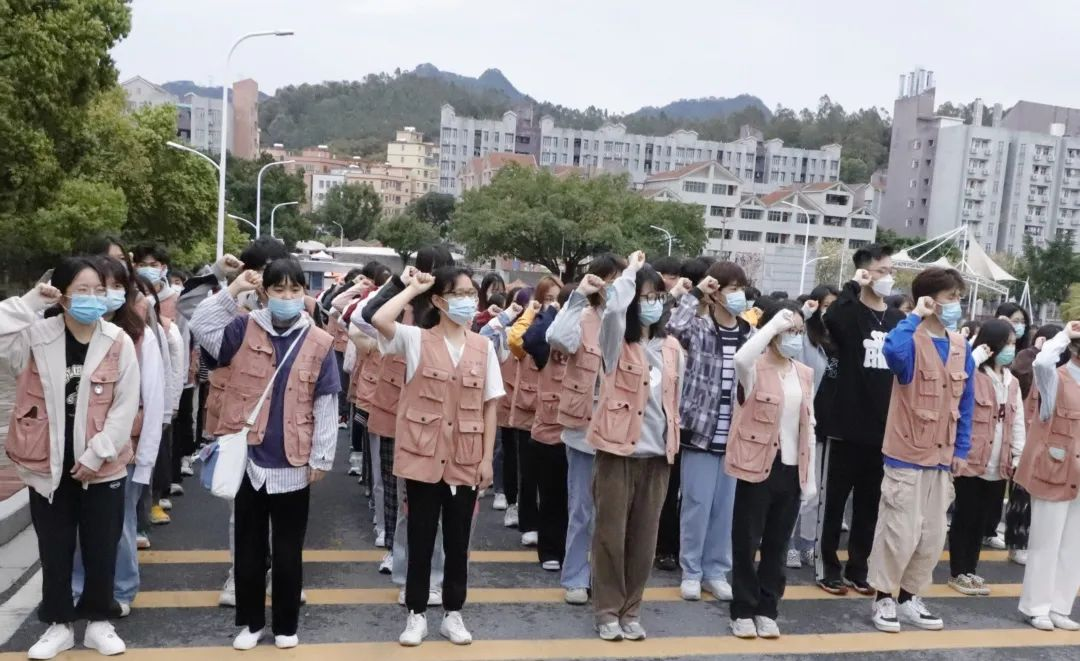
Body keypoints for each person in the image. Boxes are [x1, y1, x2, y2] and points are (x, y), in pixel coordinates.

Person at [191, 257, 340, 651]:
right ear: (265, 292)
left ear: (304, 292)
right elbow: (201, 325)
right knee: (249, 548)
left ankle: (286, 625)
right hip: (248, 460)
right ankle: (252, 622)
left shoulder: (319, 341)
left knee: (289, 550)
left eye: (295, 289)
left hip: (293, 459)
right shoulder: (243, 328)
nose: (287, 296)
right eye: (278, 289)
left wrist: (322, 457)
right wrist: (233, 288)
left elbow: (326, 401)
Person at [1, 257, 139, 659]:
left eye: (99, 290)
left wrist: (98, 453)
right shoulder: (35, 336)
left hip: (102, 467)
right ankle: (58, 624)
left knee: (101, 548)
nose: (93, 298)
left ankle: (98, 622)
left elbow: (125, 405)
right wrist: (30, 301)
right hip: (47, 464)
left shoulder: (118, 340)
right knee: (55, 549)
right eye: (82, 290)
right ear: (61, 296)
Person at [371, 265, 503, 647]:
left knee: (458, 543)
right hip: (423, 457)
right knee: (421, 538)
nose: (468, 301)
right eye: (459, 294)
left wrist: (486, 459)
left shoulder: (483, 347)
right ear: (440, 301)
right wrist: (411, 288)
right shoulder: (416, 339)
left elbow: (490, 406)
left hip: (465, 458)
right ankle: (416, 614)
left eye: (471, 294)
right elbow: (379, 319)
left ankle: (453, 613)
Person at [583, 252, 684, 642]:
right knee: (610, 536)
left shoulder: (671, 348)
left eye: (658, 296)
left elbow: (673, 403)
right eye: (645, 296)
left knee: (644, 541)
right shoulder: (615, 342)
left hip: (657, 457)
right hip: (617, 453)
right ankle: (607, 610)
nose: (652, 304)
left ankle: (632, 610)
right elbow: (611, 313)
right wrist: (629, 273)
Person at [867, 267, 974, 633]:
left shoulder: (960, 345)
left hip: (943, 456)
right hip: (907, 454)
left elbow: (967, 402)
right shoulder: (910, 339)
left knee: (931, 536)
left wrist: (962, 448)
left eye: (959, 297)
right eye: (950, 297)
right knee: (899, 532)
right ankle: (883, 597)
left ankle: (909, 597)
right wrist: (914, 315)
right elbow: (892, 353)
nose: (957, 304)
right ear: (929, 300)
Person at [70, 257, 165, 619]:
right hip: (77, 447)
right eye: (95, 288)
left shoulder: (138, 337)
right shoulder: (66, 333)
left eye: (113, 287)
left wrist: (147, 458)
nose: (104, 295)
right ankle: (79, 588)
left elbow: (152, 399)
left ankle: (122, 588)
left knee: (120, 525)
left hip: (126, 449)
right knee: (79, 524)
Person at [817, 245, 905, 596]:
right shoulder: (850, 311)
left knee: (869, 506)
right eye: (882, 271)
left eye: (890, 271)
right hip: (845, 427)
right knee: (834, 502)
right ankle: (827, 567)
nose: (888, 278)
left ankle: (859, 567)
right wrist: (853, 286)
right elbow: (832, 321)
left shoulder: (896, 318)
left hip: (882, 430)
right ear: (866, 273)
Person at [727, 299, 817, 639]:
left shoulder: (804, 373)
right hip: (758, 466)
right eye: (788, 330)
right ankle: (742, 609)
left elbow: (807, 427)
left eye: (798, 330)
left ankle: (767, 608)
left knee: (777, 546)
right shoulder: (755, 366)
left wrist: (808, 479)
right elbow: (740, 358)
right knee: (746, 541)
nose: (794, 337)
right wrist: (770, 328)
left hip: (792, 469)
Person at [666, 261, 752, 603]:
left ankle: (716, 570)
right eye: (732, 289)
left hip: (735, 437)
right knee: (696, 505)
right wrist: (697, 293)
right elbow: (672, 327)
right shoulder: (700, 327)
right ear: (716, 293)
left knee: (724, 509)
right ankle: (691, 571)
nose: (738, 296)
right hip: (701, 431)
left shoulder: (749, 333)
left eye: (742, 289)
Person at [546, 254, 624, 605]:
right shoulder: (583, 316)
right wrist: (578, 296)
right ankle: (576, 575)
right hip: (584, 430)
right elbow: (557, 339)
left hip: (622, 431)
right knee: (582, 509)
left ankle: (605, 578)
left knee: (614, 513)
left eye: (621, 280)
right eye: (609, 279)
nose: (613, 287)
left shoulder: (630, 321)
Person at [947, 319, 1025, 596]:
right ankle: (958, 571)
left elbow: (1017, 421)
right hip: (971, 459)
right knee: (965, 517)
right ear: (993, 345)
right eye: (1008, 343)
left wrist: (1018, 455)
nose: (1011, 349)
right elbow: (953, 391)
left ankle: (971, 570)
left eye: (1014, 343)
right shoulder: (975, 374)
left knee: (981, 521)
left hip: (998, 462)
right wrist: (972, 359)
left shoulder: (1012, 381)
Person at [1014, 321, 1080, 631]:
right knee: (1046, 543)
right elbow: (1041, 362)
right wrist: (1065, 334)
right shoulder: (1055, 378)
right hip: (1053, 471)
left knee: (1074, 546)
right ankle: (1035, 606)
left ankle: (1059, 607)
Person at [507, 276, 562, 548]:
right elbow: (516, 341)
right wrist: (533, 311)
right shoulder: (531, 325)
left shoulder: (564, 327)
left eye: (557, 299)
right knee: (528, 471)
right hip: (529, 408)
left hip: (555, 411)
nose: (554, 304)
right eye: (548, 299)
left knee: (551, 476)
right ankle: (528, 522)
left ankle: (550, 526)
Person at [522, 283, 574, 572]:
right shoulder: (548, 341)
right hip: (550, 433)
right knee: (552, 496)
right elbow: (530, 339)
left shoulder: (591, 335)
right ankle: (551, 549)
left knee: (576, 500)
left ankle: (572, 550)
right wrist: (553, 310)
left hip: (582, 432)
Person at [787, 284, 839, 569]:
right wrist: (805, 316)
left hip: (828, 423)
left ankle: (808, 542)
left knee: (816, 491)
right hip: (801, 420)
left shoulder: (838, 338)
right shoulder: (805, 336)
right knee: (797, 487)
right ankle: (788, 544)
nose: (830, 311)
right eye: (826, 305)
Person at [132, 244, 184, 526]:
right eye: (143, 263)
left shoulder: (164, 321)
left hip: (154, 401)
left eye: (154, 264)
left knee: (154, 453)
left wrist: (171, 402)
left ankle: (150, 505)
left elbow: (171, 363)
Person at [1005, 322, 1063, 566]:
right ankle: (1016, 544)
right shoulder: (1032, 368)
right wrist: (1035, 351)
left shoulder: (1061, 375)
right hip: (1028, 445)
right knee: (1022, 500)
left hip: (1053, 449)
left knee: (1041, 503)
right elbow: (1020, 370)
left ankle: (1031, 543)